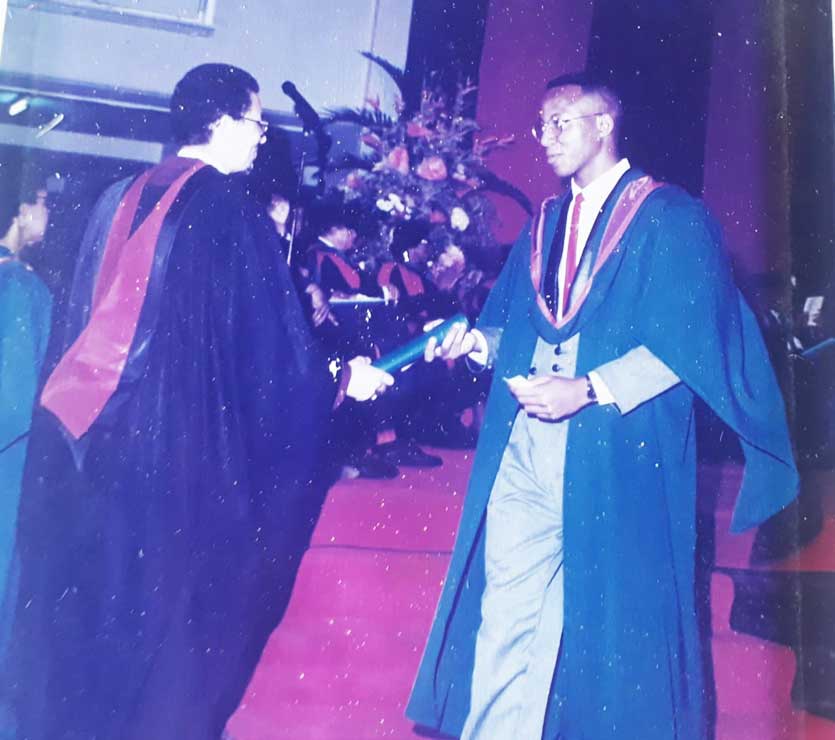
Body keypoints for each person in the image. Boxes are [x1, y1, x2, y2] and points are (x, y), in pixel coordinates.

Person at [4, 63, 392, 740]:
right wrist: (340, 382)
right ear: (219, 122)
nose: (261, 136)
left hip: (88, 456)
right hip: (175, 467)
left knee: (95, 628)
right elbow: (272, 363)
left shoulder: (117, 196)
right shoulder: (232, 213)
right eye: (254, 120)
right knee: (171, 645)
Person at [407, 72, 798, 739]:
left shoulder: (671, 216)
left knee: (609, 624)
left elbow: (691, 344)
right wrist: (474, 339)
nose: (546, 138)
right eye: (541, 124)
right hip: (526, 441)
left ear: (601, 125)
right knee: (505, 608)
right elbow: (518, 326)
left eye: (560, 122)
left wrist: (588, 390)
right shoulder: (546, 223)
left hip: (613, 441)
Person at [0, 187, 52, 655]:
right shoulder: (19, 287)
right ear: (19, 213)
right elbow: (12, 405)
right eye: (40, 200)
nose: (47, 210)